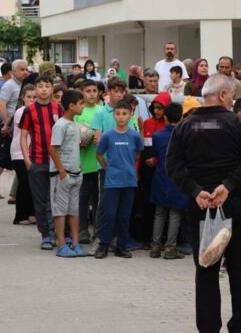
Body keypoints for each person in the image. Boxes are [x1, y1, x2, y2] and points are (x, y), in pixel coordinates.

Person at [166, 74, 241, 333]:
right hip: (236, 205)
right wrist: (228, 186)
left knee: (206, 268)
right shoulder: (237, 124)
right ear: (222, 94)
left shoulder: (185, 126)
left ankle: (208, 332)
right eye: (232, 95)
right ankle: (239, 331)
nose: (233, 101)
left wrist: (196, 190)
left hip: (201, 208)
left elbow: (173, 166)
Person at [20, 76, 65, 251]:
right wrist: (26, 159)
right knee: (39, 200)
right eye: (40, 86)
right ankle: (45, 234)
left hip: (56, 161)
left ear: (52, 89)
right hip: (37, 160)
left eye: (47, 86)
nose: (44, 89)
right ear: (35, 89)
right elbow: (23, 135)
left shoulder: (59, 109)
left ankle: (54, 232)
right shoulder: (29, 110)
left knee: (53, 199)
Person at [94, 100, 143, 259]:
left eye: (124, 114)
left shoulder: (134, 135)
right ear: (113, 115)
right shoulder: (107, 135)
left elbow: (138, 154)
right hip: (112, 181)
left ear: (130, 115)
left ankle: (121, 246)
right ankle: (103, 245)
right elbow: (99, 154)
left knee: (124, 215)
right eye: (118, 113)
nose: (121, 117)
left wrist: (127, 165)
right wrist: (107, 168)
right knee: (109, 214)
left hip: (129, 181)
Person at [49, 89, 87, 258]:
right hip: (62, 176)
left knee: (74, 211)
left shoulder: (75, 124)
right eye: (81, 103)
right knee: (60, 211)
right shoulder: (60, 125)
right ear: (71, 106)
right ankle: (62, 245)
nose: (83, 106)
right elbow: (53, 149)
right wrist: (62, 171)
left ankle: (75, 243)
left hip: (76, 174)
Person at [0, 60, 29, 199]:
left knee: (10, 157)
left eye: (26, 69)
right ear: (13, 72)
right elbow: (2, 105)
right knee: (8, 157)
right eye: (22, 69)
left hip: (20, 126)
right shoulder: (9, 86)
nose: (25, 72)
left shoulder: (22, 85)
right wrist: (6, 124)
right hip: (11, 127)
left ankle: (10, 192)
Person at [148, 103, 186, 259]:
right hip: (178, 178)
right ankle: (170, 248)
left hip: (161, 177)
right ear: (182, 118)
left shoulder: (157, 136)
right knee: (175, 213)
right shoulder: (185, 136)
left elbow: (154, 154)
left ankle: (155, 246)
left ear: (165, 118)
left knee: (159, 212)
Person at [75, 80, 103, 244]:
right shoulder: (79, 112)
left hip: (99, 163)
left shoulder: (102, 111)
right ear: (82, 93)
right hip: (83, 163)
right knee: (83, 198)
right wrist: (80, 138)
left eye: (94, 90)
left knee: (98, 198)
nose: (92, 94)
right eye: (88, 91)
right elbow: (72, 132)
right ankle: (83, 229)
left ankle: (98, 230)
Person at [10, 84, 38, 225]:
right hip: (19, 153)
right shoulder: (21, 112)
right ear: (23, 97)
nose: (31, 100)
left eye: (34, 97)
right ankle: (20, 216)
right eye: (29, 97)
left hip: (33, 152)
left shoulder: (36, 110)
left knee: (32, 184)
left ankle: (31, 213)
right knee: (24, 183)